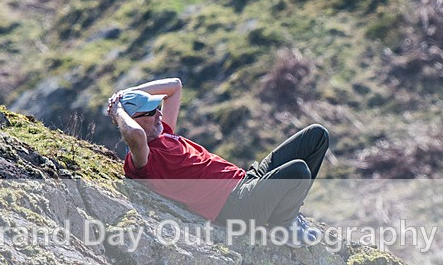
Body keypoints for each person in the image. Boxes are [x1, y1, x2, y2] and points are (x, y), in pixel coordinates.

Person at [107, 77, 328, 246]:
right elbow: (135, 136)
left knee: (316, 136)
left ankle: (286, 213)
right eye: (149, 112)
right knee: (298, 171)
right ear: (131, 121)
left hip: (247, 180)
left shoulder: (164, 132)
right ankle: (283, 227)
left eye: (157, 108)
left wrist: (124, 95)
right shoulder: (144, 161)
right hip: (236, 207)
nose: (158, 114)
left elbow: (174, 86)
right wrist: (118, 112)